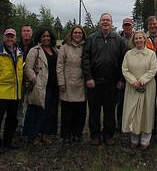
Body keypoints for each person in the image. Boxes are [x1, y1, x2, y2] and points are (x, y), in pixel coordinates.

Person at [82, 13, 128, 145]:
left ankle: (108, 135)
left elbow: (123, 62)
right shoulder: (91, 39)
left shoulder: (118, 40)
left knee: (109, 111)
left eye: (108, 20)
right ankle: (95, 135)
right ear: (99, 22)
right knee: (94, 111)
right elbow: (85, 59)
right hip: (94, 82)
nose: (105, 22)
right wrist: (88, 78)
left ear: (112, 23)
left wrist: (121, 79)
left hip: (112, 82)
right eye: (103, 20)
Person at [0, 28, 24, 154]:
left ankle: (8, 140)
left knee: (12, 118)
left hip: (15, 92)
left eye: (12, 37)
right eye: (7, 37)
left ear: (15, 38)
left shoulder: (19, 53)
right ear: (4, 38)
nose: (10, 39)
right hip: (2, 92)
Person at [121, 30, 157, 150]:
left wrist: (141, 81)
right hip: (132, 88)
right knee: (134, 112)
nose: (138, 41)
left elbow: (153, 70)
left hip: (147, 87)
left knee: (146, 112)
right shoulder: (129, 54)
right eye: (136, 39)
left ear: (144, 39)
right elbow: (125, 69)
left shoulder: (151, 54)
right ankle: (134, 139)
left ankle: (145, 141)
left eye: (140, 38)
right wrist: (133, 82)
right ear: (133, 40)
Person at [22, 27, 59, 145]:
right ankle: (34, 136)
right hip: (40, 87)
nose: (46, 39)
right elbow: (28, 68)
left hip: (53, 86)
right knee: (37, 112)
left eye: (48, 36)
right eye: (43, 36)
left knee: (49, 112)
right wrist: (35, 80)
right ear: (39, 38)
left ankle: (44, 135)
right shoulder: (35, 51)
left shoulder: (54, 50)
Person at [56, 25, 87, 144]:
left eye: (80, 33)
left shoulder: (86, 46)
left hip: (81, 83)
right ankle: (66, 135)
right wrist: (61, 82)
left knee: (80, 112)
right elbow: (59, 66)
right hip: (67, 82)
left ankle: (77, 134)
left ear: (83, 34)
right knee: (67, 112)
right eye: (75, 33)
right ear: (71, 34)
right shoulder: (64, 47)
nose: (77, 35)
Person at [16, 24, 34, 135]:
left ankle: (30, 125)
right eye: (24, 31)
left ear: (31, 33)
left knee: (32, 103)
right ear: (21, 33)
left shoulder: (36, 45)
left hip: (32, 78)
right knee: (19, 103)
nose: (26, 33)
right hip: (19, 79)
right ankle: (19, 125)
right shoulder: (15, 45)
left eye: (28, 31)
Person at [116, 18, 133, 131]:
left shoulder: (137, 37)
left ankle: (133, 122)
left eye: (129, 25)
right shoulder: (118, 39)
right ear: (122, 26)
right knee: (120, 101)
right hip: (121, 73)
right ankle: (120, 123)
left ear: (132, 26)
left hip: (134, 73)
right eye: (125, 25)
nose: (127, 28)